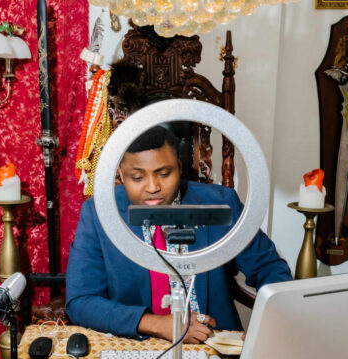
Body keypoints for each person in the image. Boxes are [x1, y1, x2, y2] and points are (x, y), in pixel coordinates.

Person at [66, 125, 292, 343]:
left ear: (180, 167)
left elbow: (269, 268)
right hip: (136, 345)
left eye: (164, 173)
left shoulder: (220, 203)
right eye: (137, 178)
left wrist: (266, 323)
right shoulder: (99, 214)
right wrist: (157, 324)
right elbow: (81, 302)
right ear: (120, 175)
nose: (152, 187)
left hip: (214, 345)